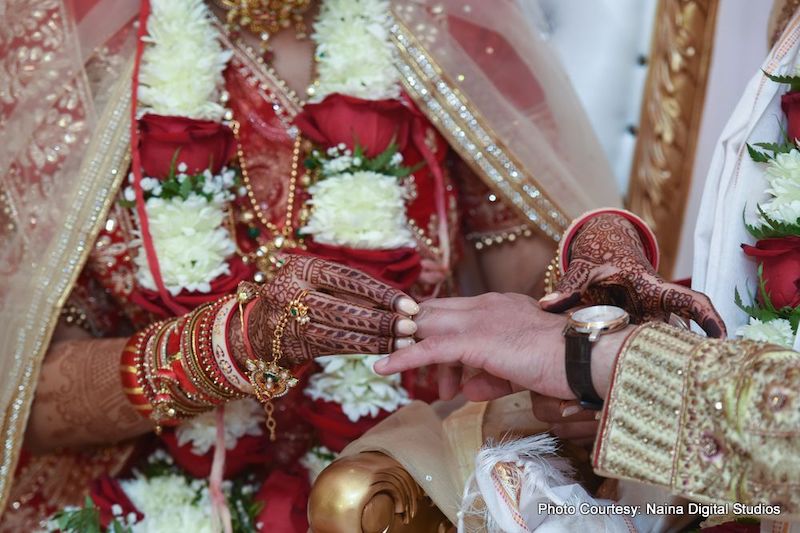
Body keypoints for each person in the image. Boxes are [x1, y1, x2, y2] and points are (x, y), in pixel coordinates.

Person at [0, 0, 620, 529]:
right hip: (151, 493)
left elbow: (552, 322)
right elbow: (26, 401)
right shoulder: (69, 52)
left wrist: (597, 319)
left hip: (408, 489)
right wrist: (231, 345)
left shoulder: (447, 31)